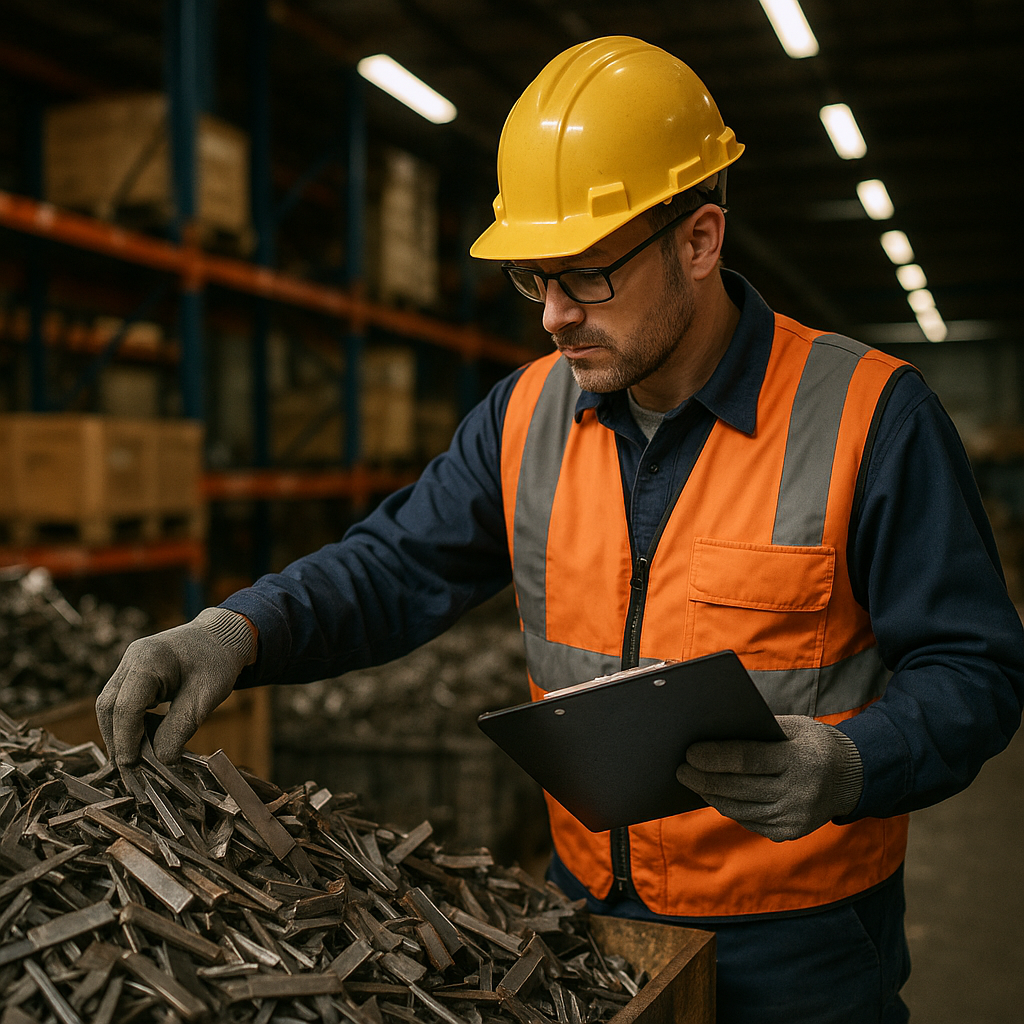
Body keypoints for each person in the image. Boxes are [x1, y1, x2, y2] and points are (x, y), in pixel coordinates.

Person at [97, 36, 1024, 1023]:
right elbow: (394, 562)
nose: (550, 316)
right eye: (535, 278)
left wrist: (852, 763)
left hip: (800, 942)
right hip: (585, 919)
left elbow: (975, 669)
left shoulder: (870, 417)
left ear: (699, 241)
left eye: (584, 276)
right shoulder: (525, 416)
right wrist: (238, 629)